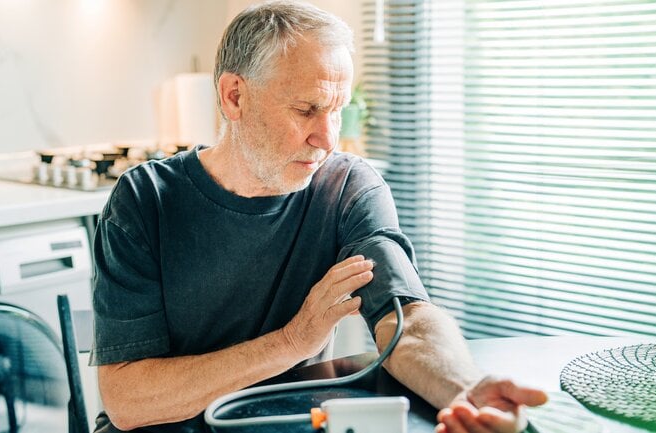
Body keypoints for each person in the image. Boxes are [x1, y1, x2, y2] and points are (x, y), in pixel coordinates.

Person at [90, 1, 548, 432]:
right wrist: (291, 342)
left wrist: (466, 390)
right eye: (307, 109)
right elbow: (129, 402)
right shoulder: (145, 199)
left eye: (336, 110)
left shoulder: (347, 187)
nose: (327, 138)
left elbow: (404, 323)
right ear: (234, 97)